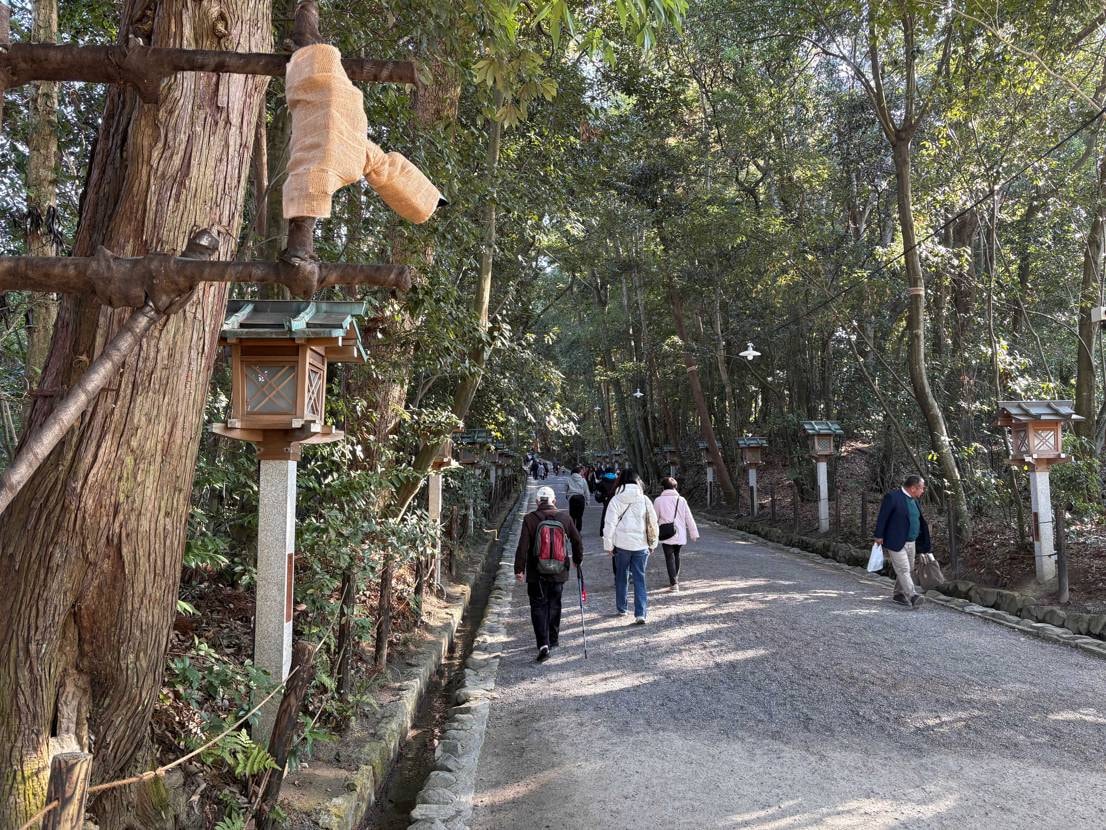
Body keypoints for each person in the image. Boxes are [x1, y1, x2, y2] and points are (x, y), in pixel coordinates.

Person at [515, 486, 584, 661]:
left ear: (538, 502)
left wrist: (519, 569)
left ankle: (543, 643)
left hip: (536, 571)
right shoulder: (565, 518)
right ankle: (553, 639)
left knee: (538, 606)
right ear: (554, 501)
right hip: (559, 571)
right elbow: (577, 540)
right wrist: (577, 559)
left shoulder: (530, 519)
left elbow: (523, 546)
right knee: (555, 603)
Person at [602, 467, 659, 624]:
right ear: (637, 481)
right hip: (641, 546)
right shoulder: (645, 500)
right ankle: (640, 613)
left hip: (621, 546)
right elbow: (653, 523)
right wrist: (653, 543)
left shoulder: (615, 500)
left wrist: (608, 546)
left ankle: (622, 608)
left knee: (621, 576)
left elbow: (609, 525)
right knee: (640, 578)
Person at [873, 474, 932, 609]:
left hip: (912, 542)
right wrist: (879, 536)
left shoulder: (914, 500)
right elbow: (883, 517)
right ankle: (912, 595)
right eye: (921, 488)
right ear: (913, 488)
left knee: (908, 569)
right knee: (904, 569)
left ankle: (899, 594)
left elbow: (918, 520)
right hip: (896, 541)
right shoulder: (893, 497)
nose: (923, 491)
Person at [653, 477, 699, 592]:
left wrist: (651, 535)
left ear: (663, 488)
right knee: (676, 555)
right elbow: (689, 517)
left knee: (669, 557)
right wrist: (693, 533)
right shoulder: (681, 500)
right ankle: (675, 579)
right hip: (680, 533)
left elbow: (654, 518)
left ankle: (674, 583)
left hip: (665, 532)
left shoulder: (658, 500)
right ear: (675, 487)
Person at [565, 466, 590, 531]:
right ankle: (578, 531)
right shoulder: (583, 480)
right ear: (579, 472)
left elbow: (565, 489)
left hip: (572, 498)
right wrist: (588, 500)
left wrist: (567, 496)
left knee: (572, 516)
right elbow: (586, 491)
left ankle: (572, 531)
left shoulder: (568, 479)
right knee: (579, 517)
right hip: (581, 498)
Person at [596, 466, 619, 537]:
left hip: (606, 500)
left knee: (605, 516)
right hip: (615, 500)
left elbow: (599, 490)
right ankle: (615, 531)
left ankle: (602, 532)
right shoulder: (617, 481)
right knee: (616, 516)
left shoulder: (603, 480)